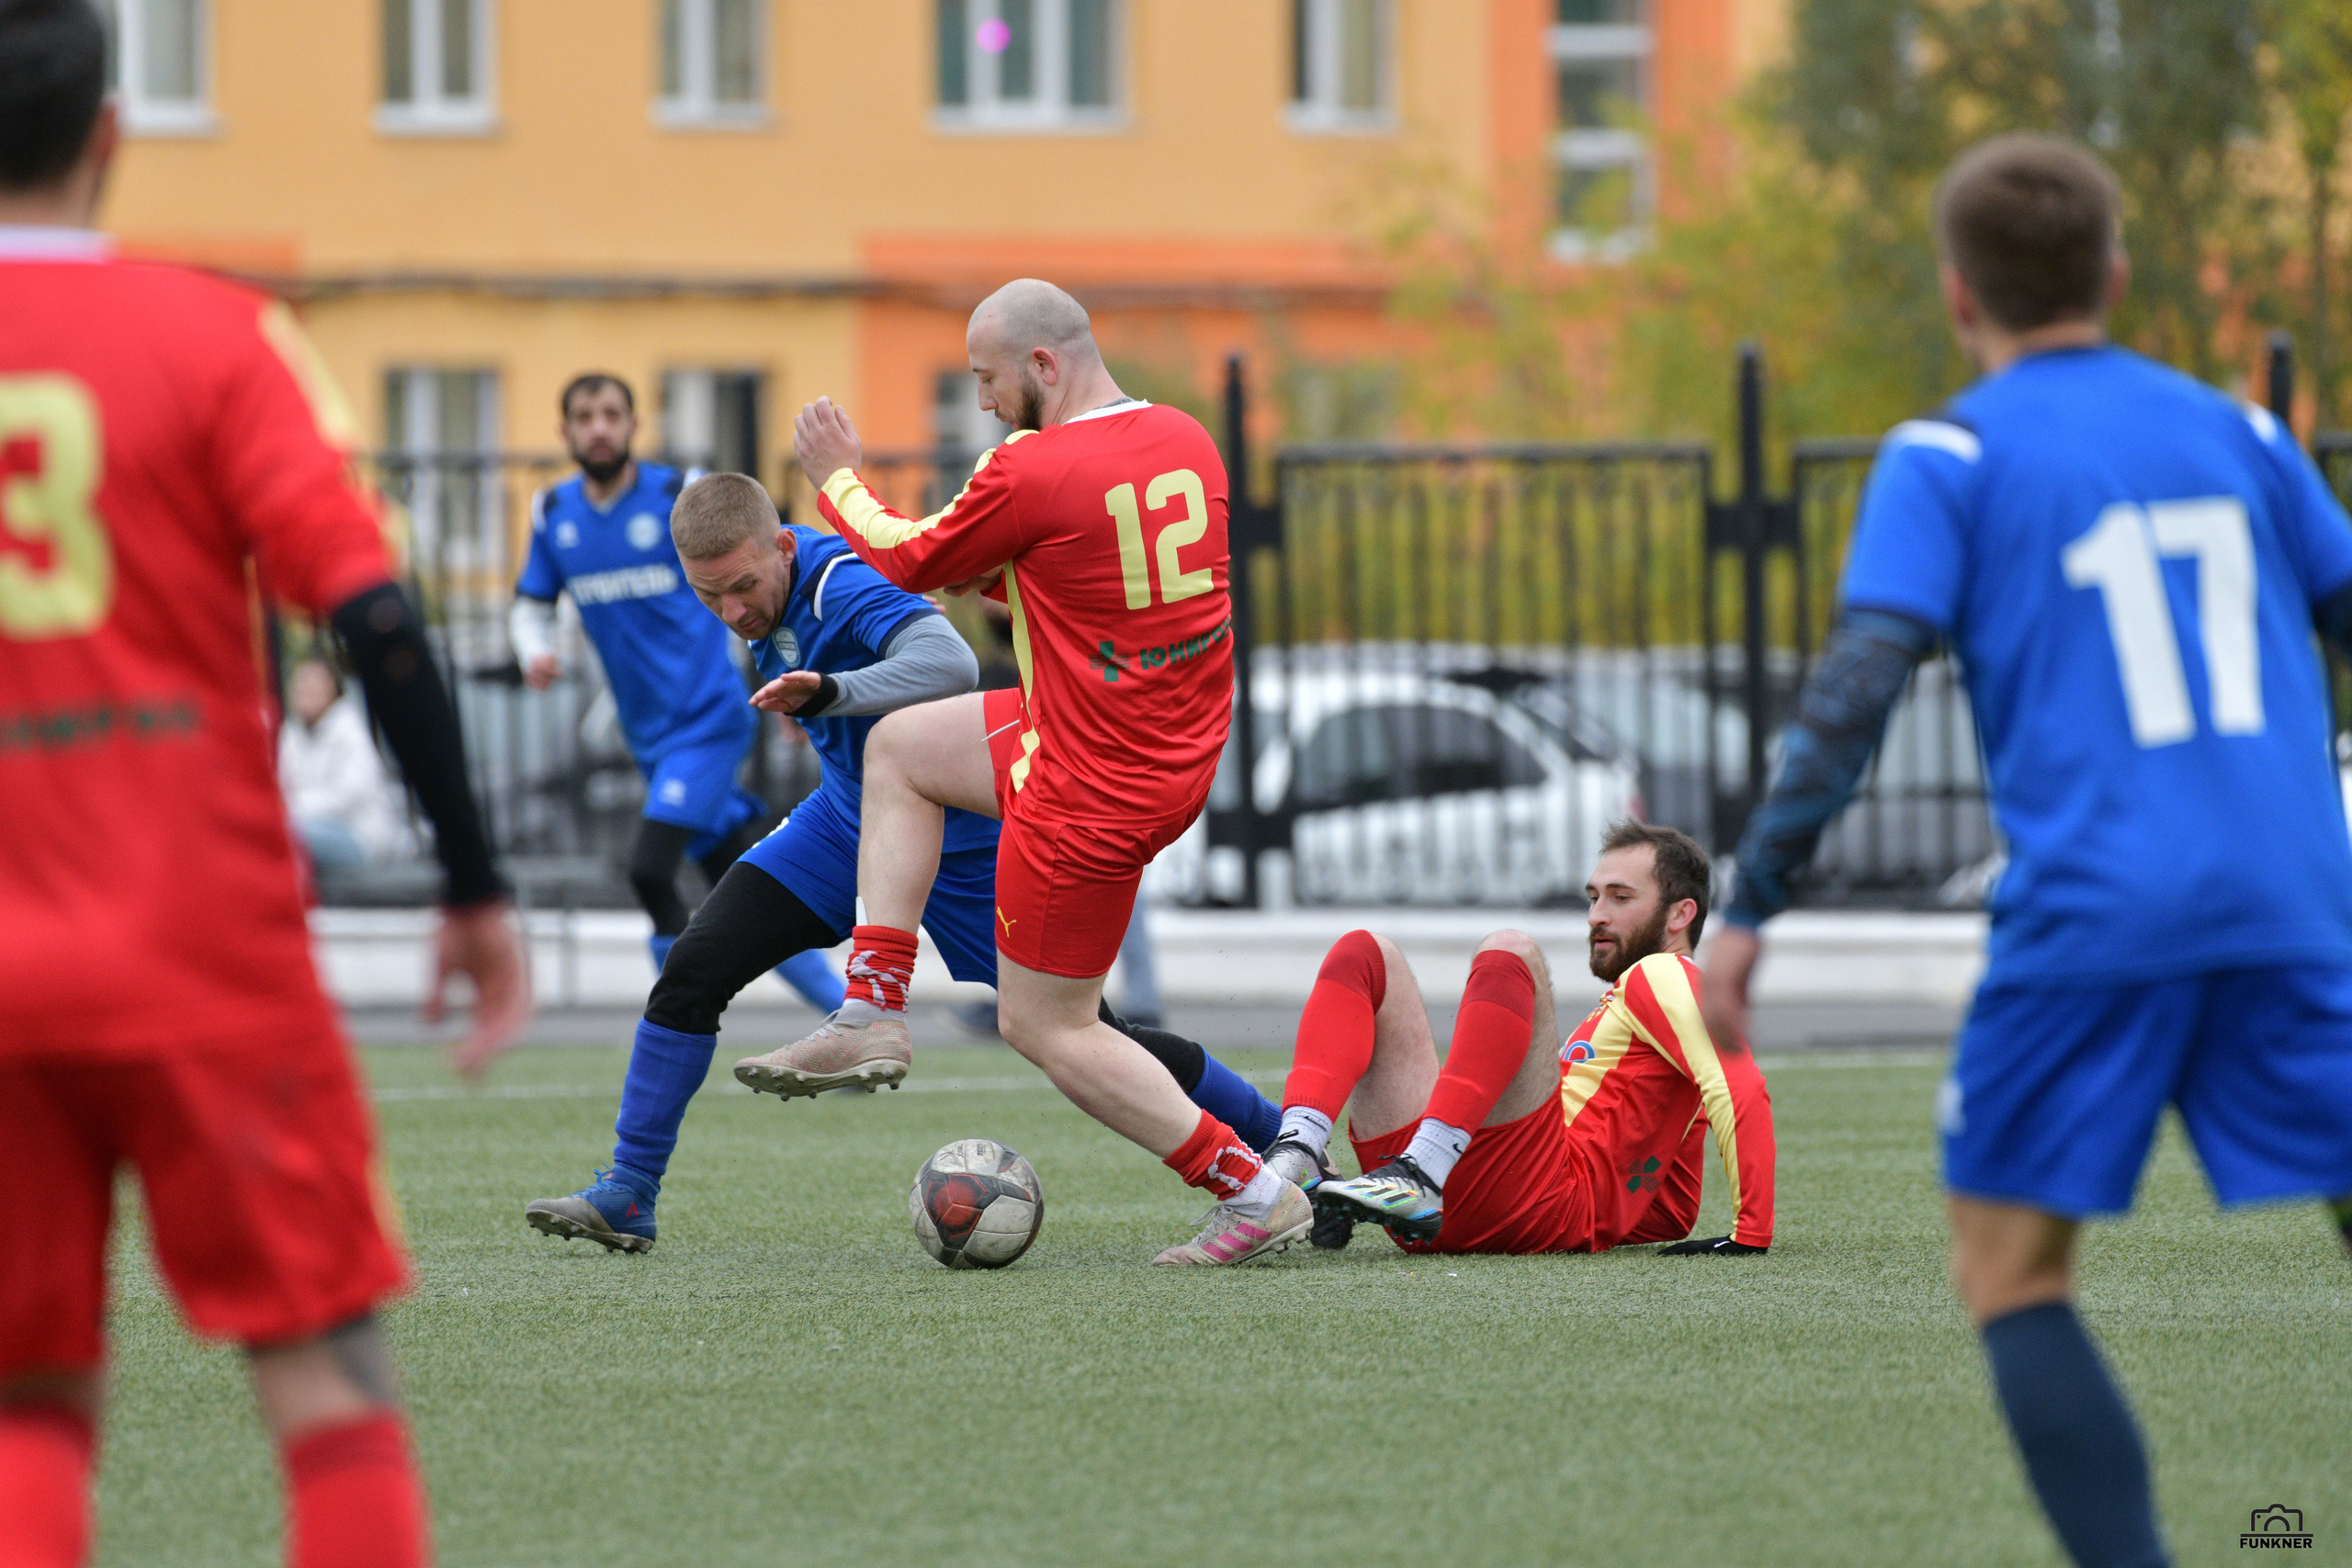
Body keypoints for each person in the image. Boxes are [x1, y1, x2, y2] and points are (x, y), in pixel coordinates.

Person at [1701, 134, 2352, 1568]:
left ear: (1956, 295)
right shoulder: (2245, 433)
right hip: (2302, 906)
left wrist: (1750, 905)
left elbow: (1859, 686)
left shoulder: (1951, 451)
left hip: (2097, 917)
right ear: (2113, 274)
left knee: (2011, 1268)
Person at [0, 5, 532, 1563]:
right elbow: (372, 616)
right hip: (201, 949)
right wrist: (477, 885)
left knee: (27, 1398)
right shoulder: (218, 335)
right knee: (324, 1373)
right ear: (111, 136)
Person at [523, 473, 1283, 1253]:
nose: (732, 612)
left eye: (744, 586)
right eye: (709, 595)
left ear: (783, 546)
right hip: (842, 822)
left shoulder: (839, 583)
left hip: (960, 849)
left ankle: (1277, 1139)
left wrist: (831, 692)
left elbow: (949, 662)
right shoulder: (761, 595)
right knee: (693, 968)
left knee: (1088, 1035)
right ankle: (628, 1192)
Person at [740, 280, 1306, 1267]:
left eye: (988, 381)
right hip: (1164, 747)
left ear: (1044, 366)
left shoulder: (1033, 467)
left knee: (1046, 1025)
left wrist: (836, 478)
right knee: (902, 749)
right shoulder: (1186, 439)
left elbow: (907, 558)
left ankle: (1249, 1188)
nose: (986, 405)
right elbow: (1078, 569)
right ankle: (873, 1007)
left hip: (1089, 777)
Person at [1284, 822, 1773, 1257]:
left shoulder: (1663, 971)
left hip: (1529, 1198)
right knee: (1367, 954)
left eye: (1620, 898)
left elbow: (1739, 1087)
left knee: (1509, 950)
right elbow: (1671, 1212)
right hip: (1462, 1208)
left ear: (1679, 915)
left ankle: (1413, 1171)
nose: (1596, 916)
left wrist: (1750, 1234)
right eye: (1593, 897)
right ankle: (1297, 1163)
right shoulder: (1651, 1010)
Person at [507, 373, 840, 1010]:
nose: (598, 427)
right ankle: (851, 1011)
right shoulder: (555, 515)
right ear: (565, 431)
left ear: (634, 426)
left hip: (710, 722)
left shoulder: (676, 495)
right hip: (650, 739)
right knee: (742, 888)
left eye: (611, 414)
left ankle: (673, 1022)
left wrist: (788, 674)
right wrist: (536, 651)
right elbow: (529, 605)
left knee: (649, 870)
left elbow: (759, 587)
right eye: (584, 416)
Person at [279, 655, 406, 873]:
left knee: (291, 833)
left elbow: (345, 797)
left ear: (332, 690)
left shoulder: (350, 730)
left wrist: (288, 810)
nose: (306, 690)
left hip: (359, 836)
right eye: (301, 683)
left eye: (314, 684)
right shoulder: (291, 733)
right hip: (304, 821)